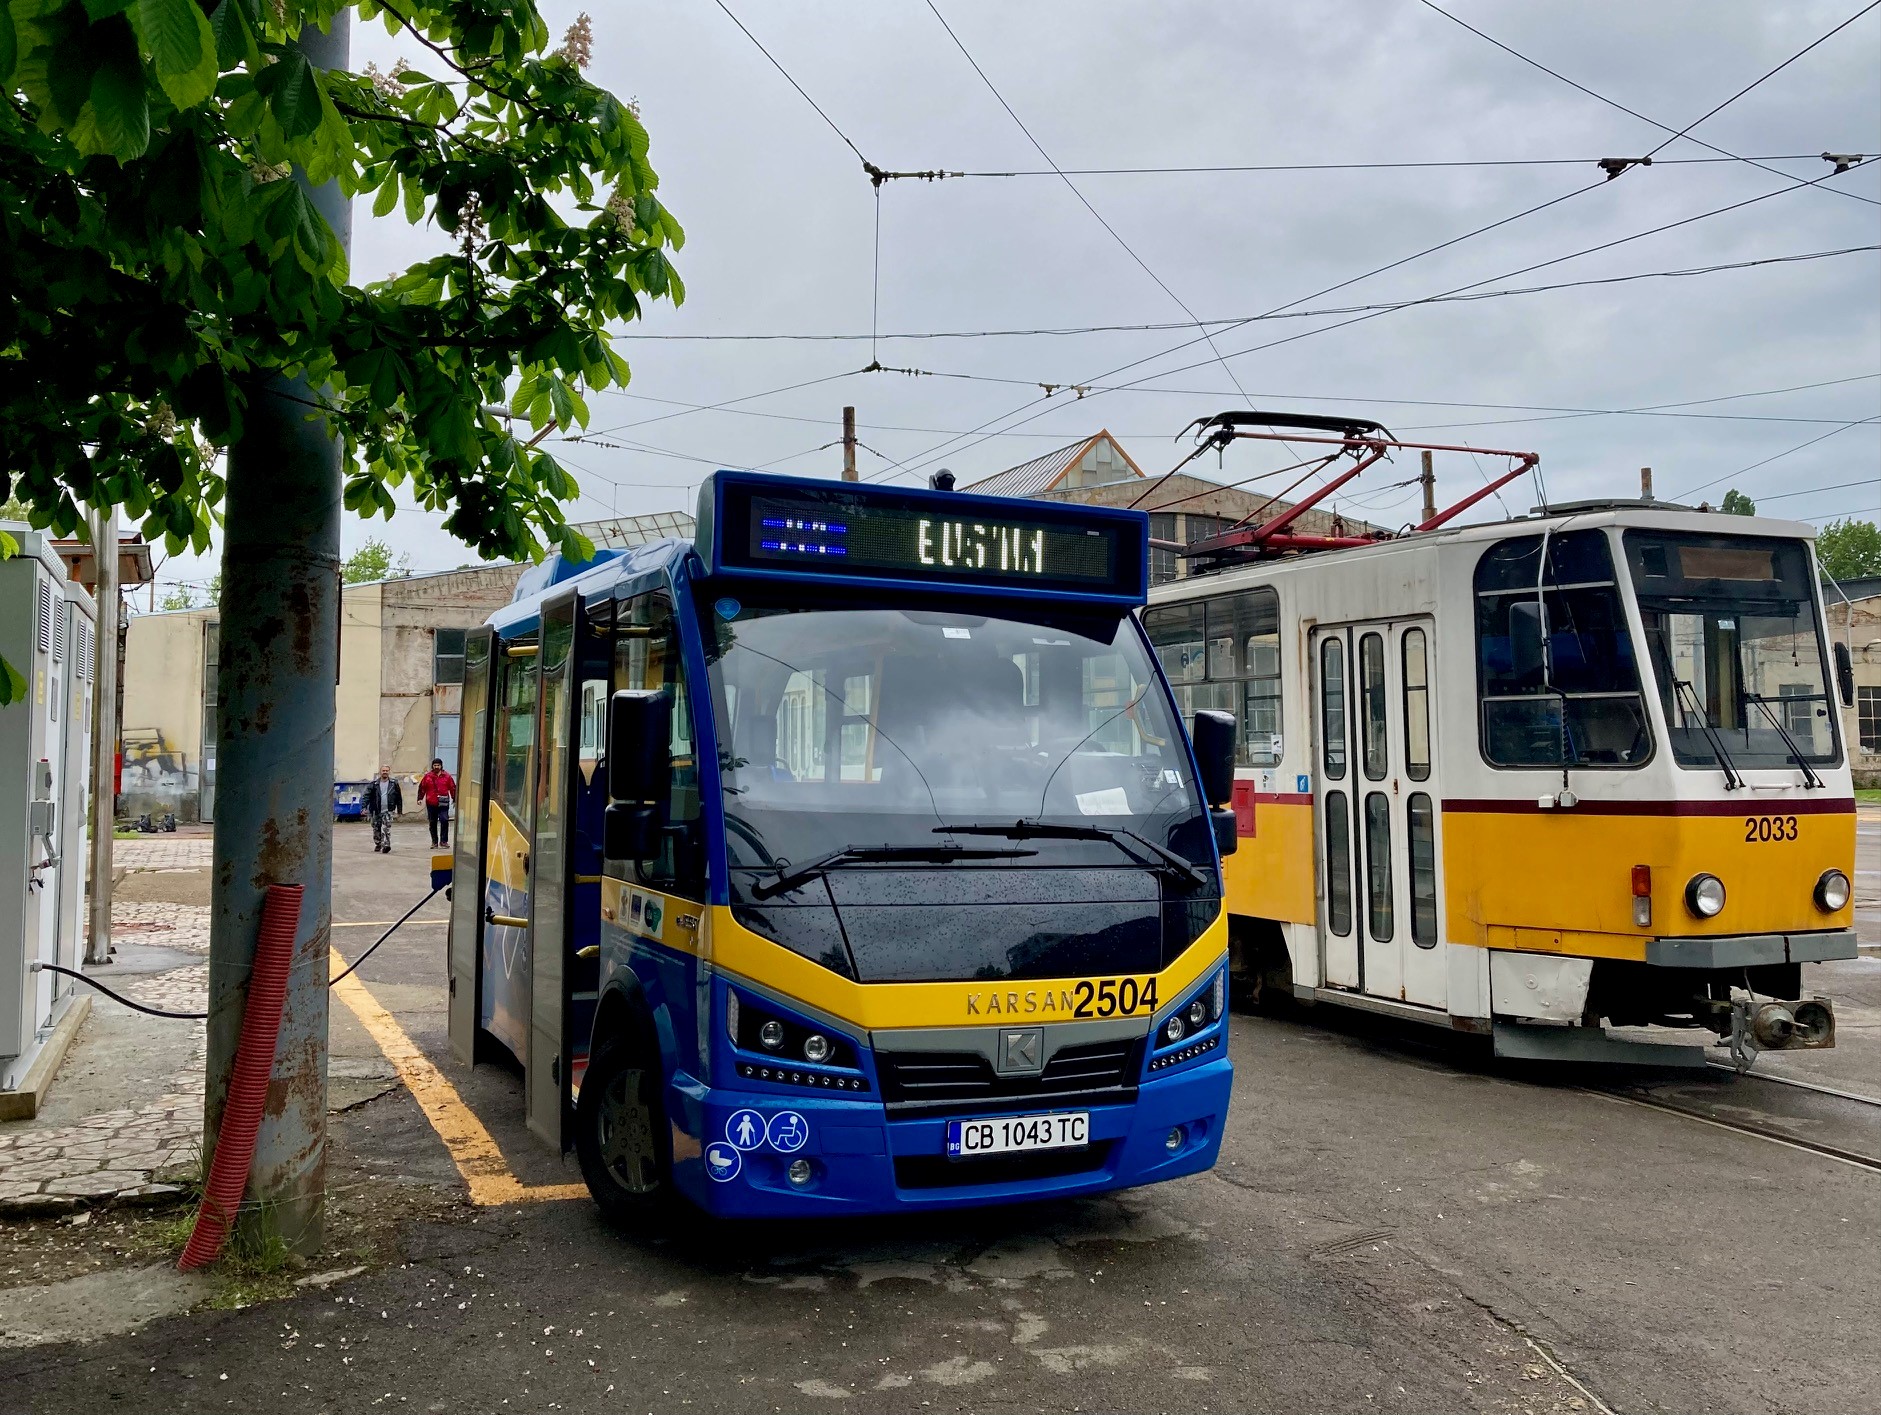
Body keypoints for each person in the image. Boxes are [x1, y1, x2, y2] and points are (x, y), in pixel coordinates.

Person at [418, 757, 457, 848]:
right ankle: (434, 842)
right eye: (435, 765)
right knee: (432, 822)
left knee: (444, 820)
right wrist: (420, 798)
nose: (436, 767)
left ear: (441, 766)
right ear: (432, 766)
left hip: (443, 802)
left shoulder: (447, 776)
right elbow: (422, 787)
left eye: (438, 765)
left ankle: (443, 841)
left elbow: (452, 788)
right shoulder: (428, 776)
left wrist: (454, 799)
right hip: (431, 802)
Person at [365, 766, 404, 854]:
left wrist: (400, 810)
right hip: (376, 810)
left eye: (386, 771)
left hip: (388, 810)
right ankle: (378, 843)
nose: (385, 772)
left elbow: (399, 798)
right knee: (376, 828)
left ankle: (386, 845)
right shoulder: (374, 784)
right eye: (383, 770)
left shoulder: (394, 783)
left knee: (386, 828)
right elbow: (367, 796)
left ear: (389, 772)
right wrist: (364, 807)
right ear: (380, 772)